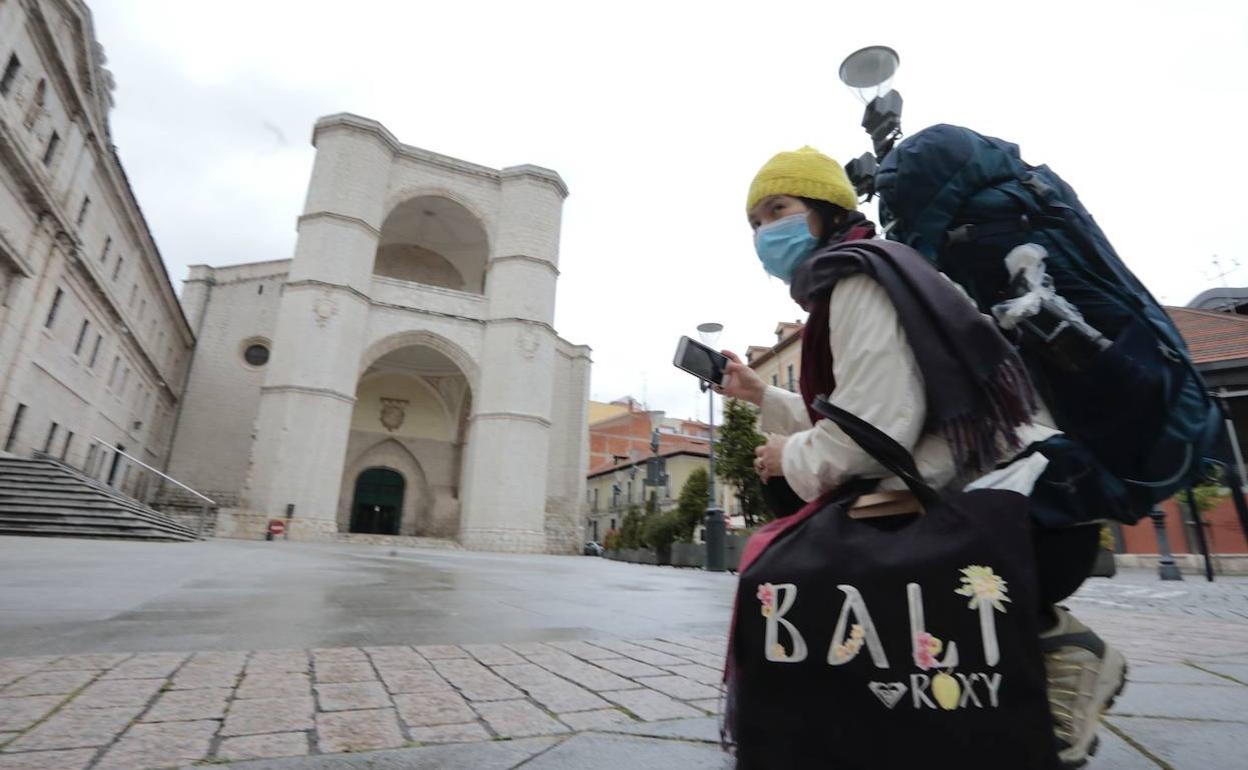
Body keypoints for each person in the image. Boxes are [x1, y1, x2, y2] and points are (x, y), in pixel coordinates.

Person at [718, 146, 1126, 767]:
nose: (764, 233)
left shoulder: (855, 279)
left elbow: (875, 431)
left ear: (826, 210)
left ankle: (1053, 650)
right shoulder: (869, 273)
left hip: (1016, 519)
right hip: (1034, 504)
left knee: (781, 569)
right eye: (754, 223)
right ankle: (1041, 656)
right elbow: (875, 409)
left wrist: (789, 455)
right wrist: (762, 396)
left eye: (778, 209)